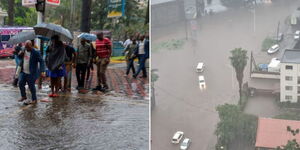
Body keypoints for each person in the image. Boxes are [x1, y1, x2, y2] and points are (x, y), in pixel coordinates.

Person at [18, 40, 45, 105]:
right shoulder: (23, 50)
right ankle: (23, 96)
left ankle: (34, 99)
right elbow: (19, 57)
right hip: (24, 71)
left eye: (28, 47)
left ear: (31, 46)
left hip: (32, 72)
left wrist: (42, 71)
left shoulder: (35, 52)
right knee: (21, 83)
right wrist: (20, 54)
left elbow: (41, 61)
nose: (27, 48)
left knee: (31, 86)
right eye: (26, 47)